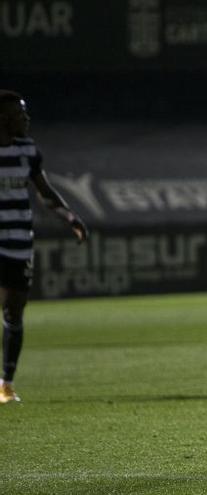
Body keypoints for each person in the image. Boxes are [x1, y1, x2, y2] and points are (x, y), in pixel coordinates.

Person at [0, 90, 89, 404]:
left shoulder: (26, 150)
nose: (26, 119)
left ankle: (5, 385)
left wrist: (70, 215)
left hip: (19, 240)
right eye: (19, 114)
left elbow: (44, 191)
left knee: (14, 310)